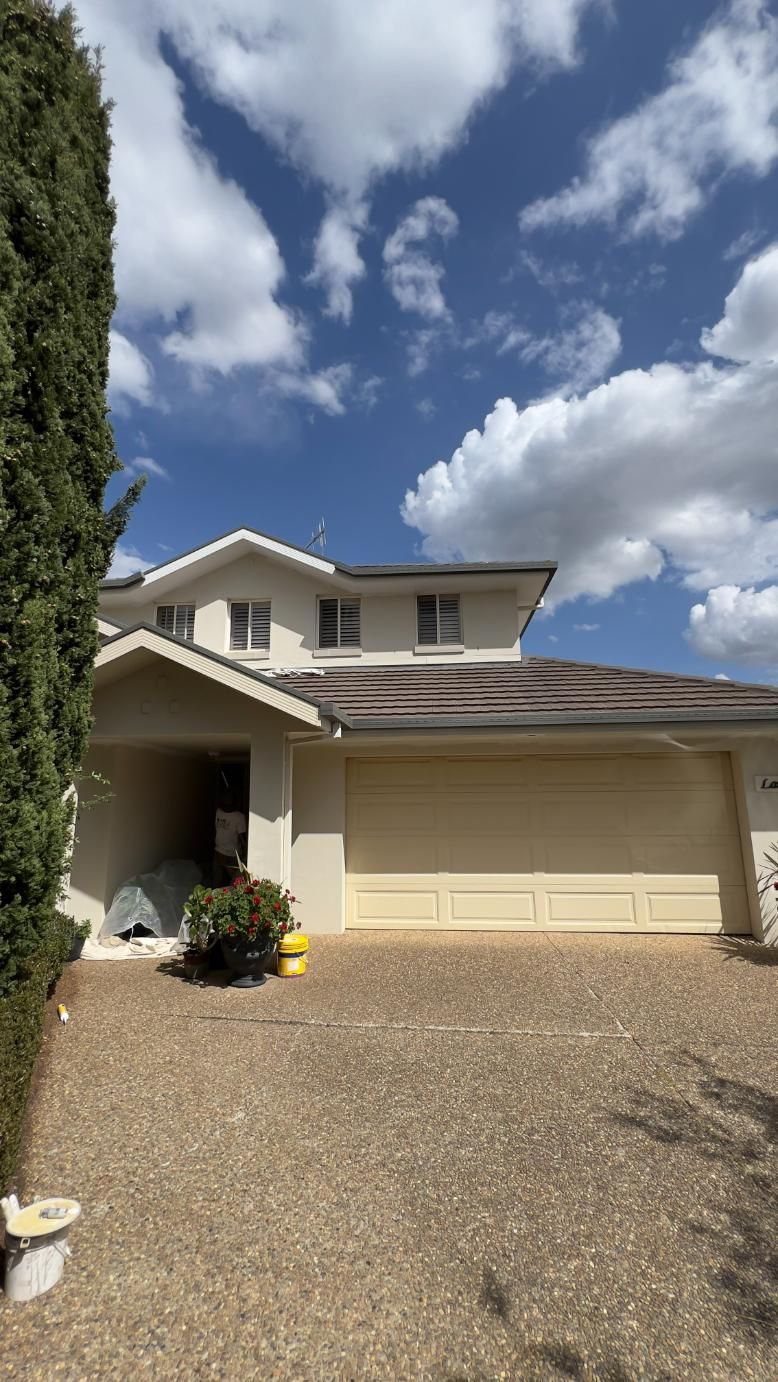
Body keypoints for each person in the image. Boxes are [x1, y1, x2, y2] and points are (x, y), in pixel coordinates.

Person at [212, 790, 247, 886]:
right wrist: (246, 853)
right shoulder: (238, 817)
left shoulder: (219, 812)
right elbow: (242, 837)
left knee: (218, 881)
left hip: (224, 852)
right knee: (236, 882)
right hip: (230, 854)